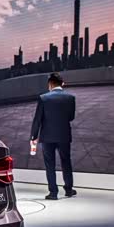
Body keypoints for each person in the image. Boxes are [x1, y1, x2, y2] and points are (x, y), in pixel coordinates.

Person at [30, 72, 76, 200]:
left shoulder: (43, 98)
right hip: (64, 135)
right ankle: (68, 190)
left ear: (50, 84)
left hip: (47, 136)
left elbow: (37, 119)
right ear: (62, 84)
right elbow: (71, 117)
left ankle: (53, 192)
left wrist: (33, 136)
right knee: (66, 162)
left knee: (50, 164)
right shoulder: (70, 98)